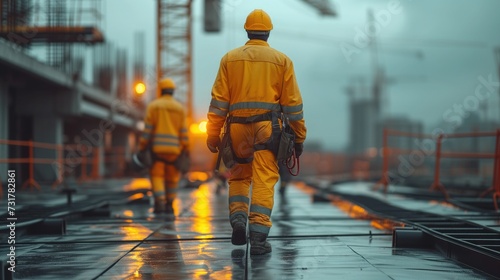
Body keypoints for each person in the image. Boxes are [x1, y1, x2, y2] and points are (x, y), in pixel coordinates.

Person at [206, 9, 307, 255]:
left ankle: (238, 221)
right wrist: (299, 137)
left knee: (239, 176)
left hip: (237, 129)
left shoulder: (229, 59)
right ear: (269, 32)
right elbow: (292, 105)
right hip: (266, 130)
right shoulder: (282, 61)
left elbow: (219, 101)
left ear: (247, 31)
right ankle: (259, 240)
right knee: (264, 179)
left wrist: (212, 132)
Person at [138, 78, 190, 215]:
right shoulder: (180, 108)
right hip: (175, 151)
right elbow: (184, 131)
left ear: (160, 90)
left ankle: (160, 202)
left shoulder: (154, 106)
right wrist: (186, 147)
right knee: (172, 179)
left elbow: (148, 129)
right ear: (173, 91)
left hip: (157, 151)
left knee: (157, 177)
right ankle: (170, 204)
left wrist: (142, 146)